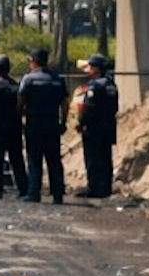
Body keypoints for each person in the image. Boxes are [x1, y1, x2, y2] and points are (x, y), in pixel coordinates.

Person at [18, 48, 70, 204]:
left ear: (34, 61)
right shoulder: (57, 79)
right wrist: (63, 122)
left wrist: (19, 119)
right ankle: (58, 194)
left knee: (34, 160)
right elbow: (65, 103)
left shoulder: (28, 79)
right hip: (52, 124)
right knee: (54, 160)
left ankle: (34, 193)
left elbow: (20, 100)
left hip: (34, 124)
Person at [0, 54, 28, 200]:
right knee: (17, 158)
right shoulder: (15, 85)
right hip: (14, 125)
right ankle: (23, 189)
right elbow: (22, 103)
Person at [76, 53, 120, 199]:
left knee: (93, 158)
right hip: (108, 126)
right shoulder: (111, 85)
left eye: (90, 67)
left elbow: (89, 108)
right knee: (106, 157)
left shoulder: (95, 85)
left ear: (96, 68)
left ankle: (94, 188)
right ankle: (106, 187)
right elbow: (115, 107)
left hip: (94, 128)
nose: (88, 70)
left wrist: (81, 122)